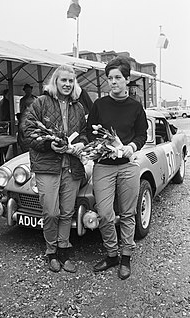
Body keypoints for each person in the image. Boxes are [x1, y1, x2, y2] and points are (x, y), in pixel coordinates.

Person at [87, 56, 148, 280]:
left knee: (128, 213)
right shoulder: (99, 105)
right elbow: (88, 132)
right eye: (110, 78)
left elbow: (143, 134)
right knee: (104, 213)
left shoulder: (135, 107)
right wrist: (99, 145)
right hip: (103, 166)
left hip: (127, 166)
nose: (113, 82)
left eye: (117, 78)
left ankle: (126, 257)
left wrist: (132, 146)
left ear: (126, 79)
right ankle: (111, 253)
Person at [23, 65, 87, 273]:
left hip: (71, 166)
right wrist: (47, 144)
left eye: (71, 81)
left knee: (67, 212)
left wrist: (81, 143)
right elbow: (28, 132)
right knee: (51, 211)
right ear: (55, 82)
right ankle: (51, 251)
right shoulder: (40, 103)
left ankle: (64, 251)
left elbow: (85, 133)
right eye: (63, 80)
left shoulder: (78, 107)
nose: (67, 84)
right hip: (47, 166)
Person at [17, 84, 37, 152]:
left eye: (29, 90)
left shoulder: (35, 98)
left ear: (31, 90)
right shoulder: (22, 100)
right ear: (25, 91)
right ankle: (24, 144)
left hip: (35, 114)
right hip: (25, 115)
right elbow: (22, 110)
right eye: (26, 90)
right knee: (22, 128)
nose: (28, 91)